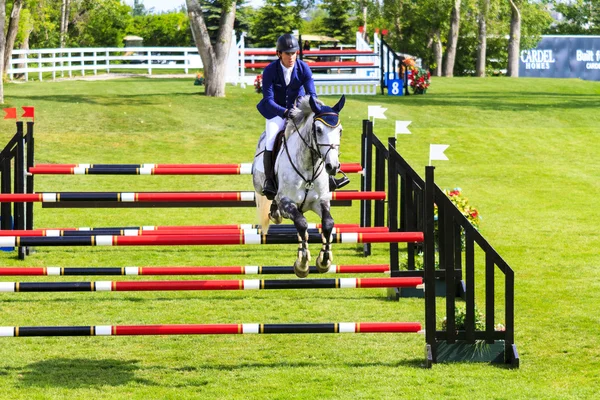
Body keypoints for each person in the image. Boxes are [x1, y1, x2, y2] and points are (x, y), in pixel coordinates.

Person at [256, 33, 348, 200]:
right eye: (287, 53)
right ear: (279, 54)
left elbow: (312, 93)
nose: (291, 57)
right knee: (270, 139)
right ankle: (270, 181)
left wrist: (315, 109)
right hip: (276, 112)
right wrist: (284, 112)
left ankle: (330, 177)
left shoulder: (303, 68)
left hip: (299, 111)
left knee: (315, 135)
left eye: (294, 53)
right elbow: (268, 100)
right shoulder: (270, 71)